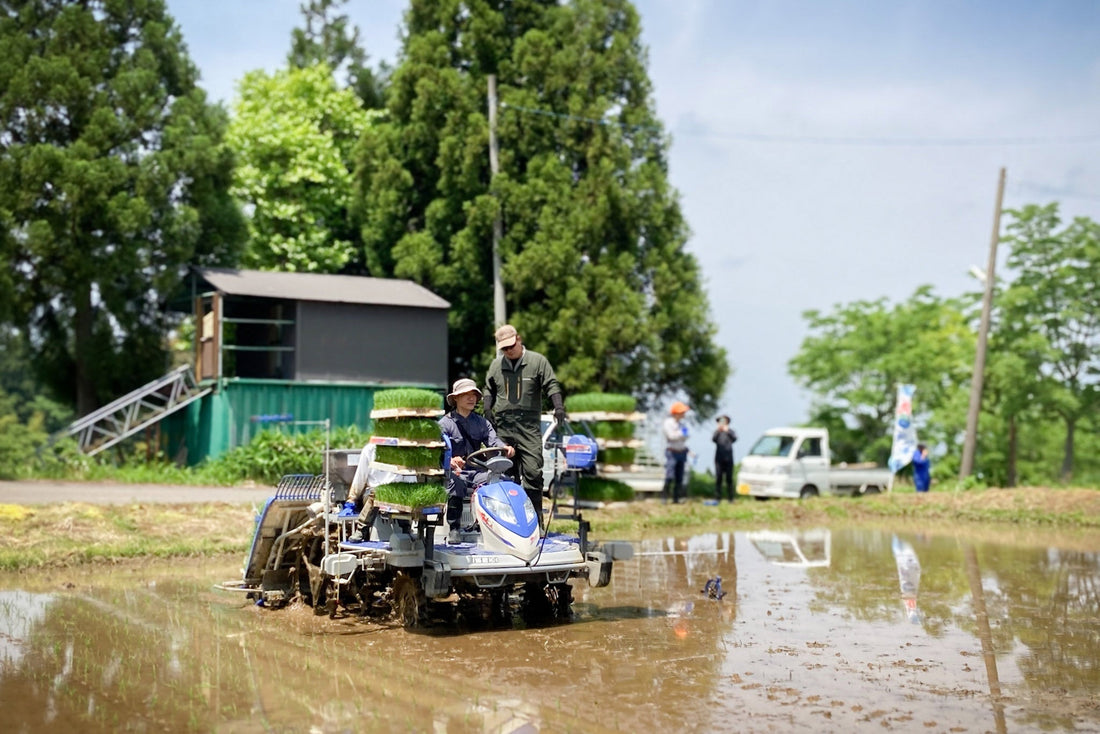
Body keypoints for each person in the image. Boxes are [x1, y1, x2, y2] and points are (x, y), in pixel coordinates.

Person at [483, 324, 565, 521]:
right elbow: (488, 388)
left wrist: (558, 406)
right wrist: (487, 408)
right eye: (504, 348)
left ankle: (534, 518)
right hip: (504, 426)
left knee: (533, 471)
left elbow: (551, 384)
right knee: (504, 473)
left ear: (518, 339)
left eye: (511, 346)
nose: (509, 351)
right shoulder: (496, 365)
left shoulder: (537, 361)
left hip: (528, 426)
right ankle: (508, 520)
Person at [438, 378, 514, 544]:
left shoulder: (482, 423)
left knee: (503, 482)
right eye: (466, 394)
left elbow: (494, 442)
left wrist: (505, 448)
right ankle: (454, 528)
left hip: (477, 472)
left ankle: (500, 529)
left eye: (474, 394)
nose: (471, 398)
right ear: (455, 398)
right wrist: (449, 460)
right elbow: (437, 451)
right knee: (456, 484)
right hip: (453, 474)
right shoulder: (444, 424)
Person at [662, 401, 691, 504]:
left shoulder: (682, 424)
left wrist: (680, 434)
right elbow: (671, 436)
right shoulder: (668, 423)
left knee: (680, 476)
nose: (684, 414)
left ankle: (676, 498)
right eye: (682, 412)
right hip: (672, 452)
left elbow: (687, 435)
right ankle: (664, 498)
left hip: (681, 452)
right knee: (670, 475)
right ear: (676, 413)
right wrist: (680, 434)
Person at [712, 414, 737, 501]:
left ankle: (731, 498)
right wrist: (719, 430)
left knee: (729, 478)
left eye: (723, 421)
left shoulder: (730, 431)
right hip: (719, 458)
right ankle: (718, 497)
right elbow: (713, 439)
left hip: (729, 457)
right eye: (720, 421)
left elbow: (735, 439)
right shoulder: (717, 432)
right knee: (718, 478)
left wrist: (727, 431)